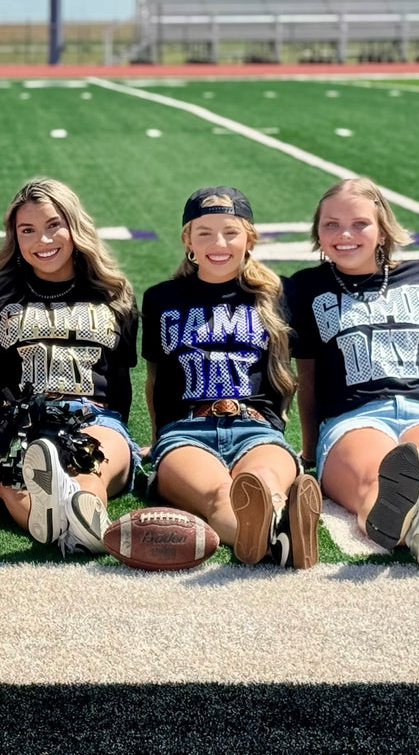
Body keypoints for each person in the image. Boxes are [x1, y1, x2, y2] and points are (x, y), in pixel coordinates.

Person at [291, 177, 419, 571]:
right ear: (317, 233)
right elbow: (307, 380)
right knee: (377, 479)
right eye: (331, 225)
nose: (345, 235)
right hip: (353, 418)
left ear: (383, 228)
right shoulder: (305, 287)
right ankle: (416, 529)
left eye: (359, 224)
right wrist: (309, 450)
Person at [0, 178, 138, 554]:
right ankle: (68, 527)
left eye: (54, 225)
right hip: (15, 421)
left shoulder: (113, 294)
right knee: (10, 477)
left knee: (90, 469)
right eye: (28, 230)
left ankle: (78, 519)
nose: (43, 240)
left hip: (92, 417)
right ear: (15, 238)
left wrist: (122, 435)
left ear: (75, 227)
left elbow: (120, 381)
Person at [143, 186, 320, 568]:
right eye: (204, 232)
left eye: (230, 231)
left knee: (263, 487)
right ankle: (282, 539)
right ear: (187, 239)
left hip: (257, 428)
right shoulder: (161, 298)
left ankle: (273, 531)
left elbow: (303, 371)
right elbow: (155, 380)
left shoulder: (279, 293)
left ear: (249, 239)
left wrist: (309, 446)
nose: (217, 243)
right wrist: (157, 442)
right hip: (187, 432)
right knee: (221, 495)